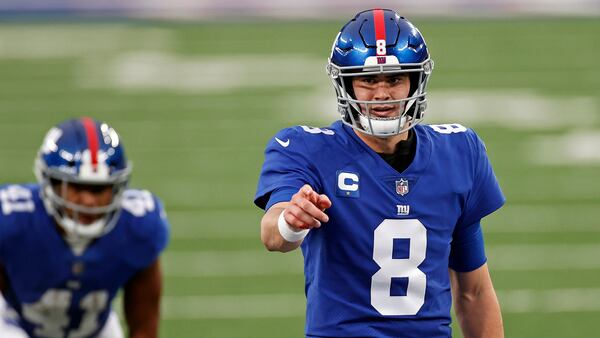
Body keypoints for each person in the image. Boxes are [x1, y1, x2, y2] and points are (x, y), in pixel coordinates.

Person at [255, 9, 504, 338]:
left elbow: (474, 291)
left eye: (395, 79)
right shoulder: (307, 149)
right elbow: (273, 235)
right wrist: (291, 220)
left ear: (415, 81)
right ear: (346, 84)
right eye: (369, 79)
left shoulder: (459, 152)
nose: (382, 94)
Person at [0, 117, 169, 338]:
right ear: (51, 184)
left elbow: (144, 328)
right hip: (15, 324)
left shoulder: (138, 227)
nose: (88, 201)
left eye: (98, 189)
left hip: (95, 330)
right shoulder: (13, 220)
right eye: (77, 187)